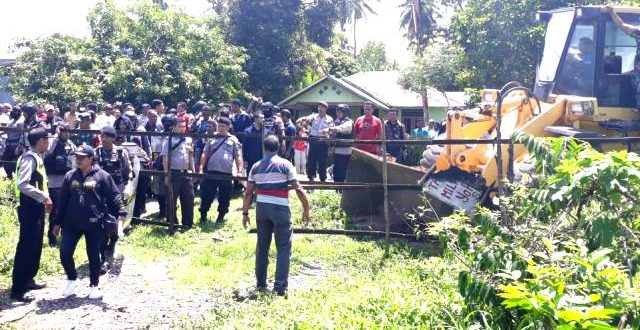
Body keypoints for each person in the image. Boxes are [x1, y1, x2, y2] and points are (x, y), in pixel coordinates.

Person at [53, 145, 127, 299]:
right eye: (76, 157)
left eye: (82, 157)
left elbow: (114, 195)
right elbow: (62, 201)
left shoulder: (102, 176)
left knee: (93, 255)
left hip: (94, 223)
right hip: (71, 223)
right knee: (65, 252)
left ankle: (94, 286)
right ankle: (72, 280)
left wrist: (121, 211)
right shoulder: (69, 176)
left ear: (91, 158)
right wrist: (57, 222)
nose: (78, 160)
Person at [242, 135, 310, 296]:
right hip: (280, 209)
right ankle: (280, 288)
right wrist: (306, 209)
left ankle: (260, 284)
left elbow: (248, 193)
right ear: (279, 146)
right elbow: (298, 188)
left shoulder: (256, 166)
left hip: (262, 209)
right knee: (283, 247)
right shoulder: (286, 164)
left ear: (264, 147)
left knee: (262, 247)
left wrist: (245, 213)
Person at [10, 128, 53, 302]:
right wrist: (44, 197)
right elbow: (22, 184)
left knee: (35, 245)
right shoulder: (30, 158)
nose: (48, 143)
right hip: (29, 208)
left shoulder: (36, 157)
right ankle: (18, 290)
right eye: (46, 139)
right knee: (26, 247)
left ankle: (29, 279)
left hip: (36, 208)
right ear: (41, 141)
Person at [95, 126, 132, 272]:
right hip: (101, 191)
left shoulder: (121, 151)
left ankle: (112, 245)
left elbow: (127, 169)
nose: (103, 139)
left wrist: (128, 180)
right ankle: (102, 256)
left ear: (113, 138)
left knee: (118, 221)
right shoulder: (95, 152)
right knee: (103, 223)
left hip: (117, 189)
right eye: (102, 136)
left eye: (107, 136)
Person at [199, 117, 243, 224]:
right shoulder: (211, 138)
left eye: (223, 126)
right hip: (211, 172)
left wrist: (240, 170)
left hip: (226, 173)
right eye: (219, 126)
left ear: (228, 127)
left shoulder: (233, 139)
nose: (220, 128)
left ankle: (220, 217)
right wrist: (201, 168)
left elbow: (238, 156)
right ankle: (203, 216)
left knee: (225, 196)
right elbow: (205, 153)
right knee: (206, 195)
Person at [43, 122, 77, 247]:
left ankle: (64, 237)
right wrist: (56, 138)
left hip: (67, 181)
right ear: (59, 131)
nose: (66, 134)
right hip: (54, 182)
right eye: (64, 131)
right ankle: (52, 238)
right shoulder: (53, 142)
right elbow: (47, 152)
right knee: (55, 211)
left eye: (68, 131)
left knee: (67, 210)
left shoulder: (69, 143)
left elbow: (75, 153)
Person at [162, 118, 195, 229]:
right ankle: (172, 224)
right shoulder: (168, 139)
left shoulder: (188, 139)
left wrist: (193, 172)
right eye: (179, 126)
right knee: (171, 200)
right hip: (173, 173)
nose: (182, 129)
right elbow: (165, 157)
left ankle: (187, 224)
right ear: (174, 127)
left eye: (183, 126)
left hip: (186, 173)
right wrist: (167, 174)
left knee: (189, 198)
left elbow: (190, 156)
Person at [606, 6, 640, 108]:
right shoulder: (638, 32)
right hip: (637, 73)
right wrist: (611, 12)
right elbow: (622, 25)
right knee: (617, 80)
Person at [306, 101, 333, 182]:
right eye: (319, 107)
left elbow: (331, 131)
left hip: (323, 141)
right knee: (311, 160)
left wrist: (327, 133)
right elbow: (304, 121)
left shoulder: (329, 119)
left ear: (326, 109)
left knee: (322, 161)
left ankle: (322, 179)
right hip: (313, 140)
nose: (320, 108)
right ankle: (310, 177)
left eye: (322, 107)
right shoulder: (313, 117)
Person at [327, 104, 353, 182]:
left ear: (345, 112)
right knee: (336, 171)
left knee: (343, 171)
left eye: (339, 112)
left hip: (345, 150)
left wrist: (332, 129)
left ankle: (342, 189)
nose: (337, 113)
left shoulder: (349, 122)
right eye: (337, 111)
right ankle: (337, 189)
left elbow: (343, 128)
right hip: (336, 150)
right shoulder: (337, 121)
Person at [2, 106, 23, 179]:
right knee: (5, 160)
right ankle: (9, 176)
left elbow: (22, 134)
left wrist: (20, 146)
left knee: (16, 162)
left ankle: (18, 178)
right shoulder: (12, 120)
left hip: (16, 144)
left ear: (19, 112)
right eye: (13, 110)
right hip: (9, 144)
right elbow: (7, 129)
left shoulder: (21, 121)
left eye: (15, 111)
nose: (13, 112)